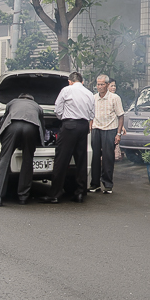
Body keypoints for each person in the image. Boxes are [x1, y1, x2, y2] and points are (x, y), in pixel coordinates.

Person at [40, 71, 95, 203]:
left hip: (70, 125)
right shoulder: (89, 93)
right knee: (81, 160)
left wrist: (63, 119)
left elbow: (57, 110)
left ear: (70, 81)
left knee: (61, 160)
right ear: (81, 82)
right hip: (84, 126)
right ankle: (80, 192)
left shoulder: (66, 90)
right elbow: (92, 114)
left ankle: (55, 194)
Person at [0, 93, 47, 207]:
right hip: (31, 127)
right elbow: (42, 126)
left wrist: (4, 141)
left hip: (13, 125)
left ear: (20, 97)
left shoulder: (12, 102)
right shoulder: (37, 106)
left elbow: (3, 120)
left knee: (5, 159)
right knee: (27, 160)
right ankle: (23, 196)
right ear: (32, 99)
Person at [89, 74, 125, 194]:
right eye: (98, 84)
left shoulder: (115, 98)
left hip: (110, 129)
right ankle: (94, 184)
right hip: (96, 129)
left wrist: (118, 134)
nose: (99, 87)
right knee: (94, 157)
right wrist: (91, 126)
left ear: (107, 85)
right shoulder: (94, 98)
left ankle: (108, 184)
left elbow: (120, 116)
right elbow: (90, 115)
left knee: (108, 158)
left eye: (102, 84)